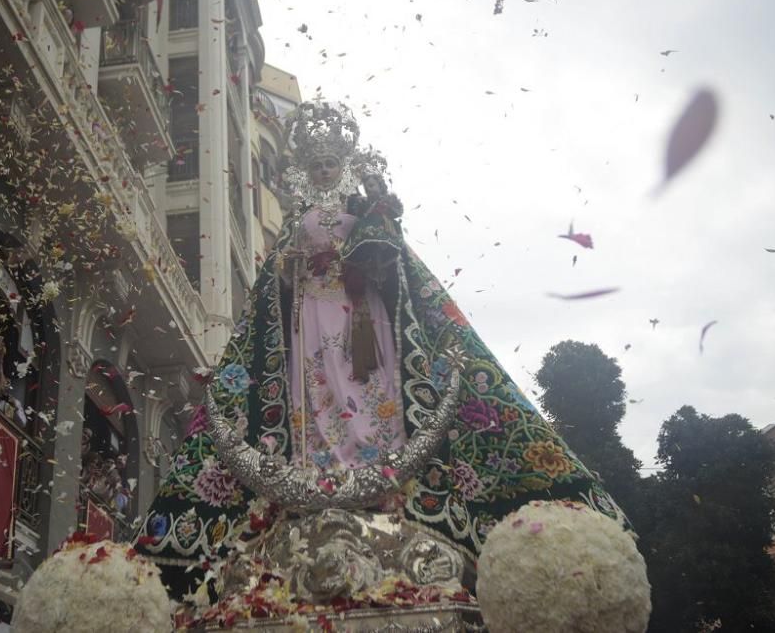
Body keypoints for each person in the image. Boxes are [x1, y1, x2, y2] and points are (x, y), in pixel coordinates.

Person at [135, 102, 623, 598]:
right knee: (317, 385)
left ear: (341, 164)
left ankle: (375, 456)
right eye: (316, 163)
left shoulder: (364, 210)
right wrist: (291, 266)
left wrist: (375, 232)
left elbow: (392, 262)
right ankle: (321, 463)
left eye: (330, 161)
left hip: (362, 314)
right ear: (305, 169)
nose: (324, 169)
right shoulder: (296, 219)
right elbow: (276, 279)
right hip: (311, 316)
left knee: (367, 382)